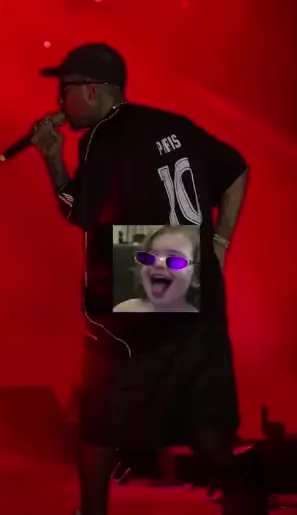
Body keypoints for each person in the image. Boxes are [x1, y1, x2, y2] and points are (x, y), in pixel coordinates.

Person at [31, 42, 265, 515]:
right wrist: (219, 241)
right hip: (192, 268)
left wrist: (52, 158)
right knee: (202, 418)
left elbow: (78, 212)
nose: (60, 102)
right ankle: (248, 497)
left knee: (98, 420)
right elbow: (237, 169)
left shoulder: (102, 136)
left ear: (93, 91)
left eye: (66, 90)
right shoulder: (174, 125)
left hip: (149, 268)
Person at [113, 224, 200, 313]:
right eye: (150, 258)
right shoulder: (124, 309)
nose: (158, 263)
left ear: (196, 276)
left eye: (174, 260)